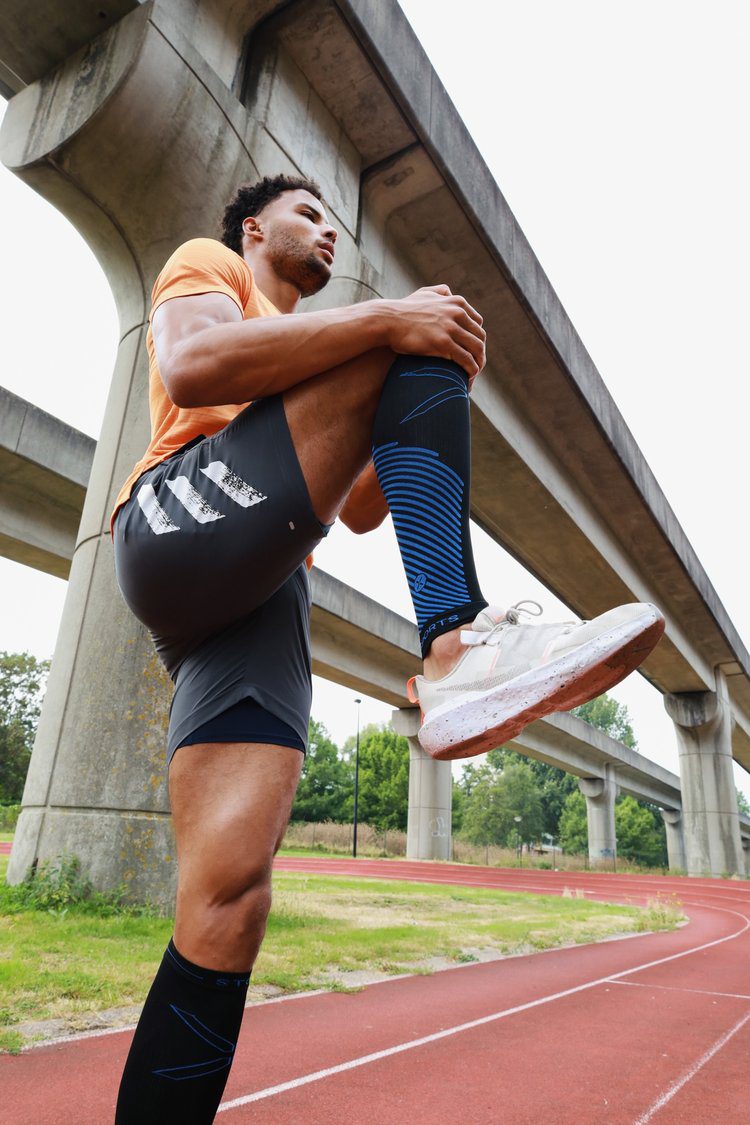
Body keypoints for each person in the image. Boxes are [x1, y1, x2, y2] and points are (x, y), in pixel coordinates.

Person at [111, 174, 663, 1122]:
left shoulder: (321, 354)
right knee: (409, 328)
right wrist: (395, 330)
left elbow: (364, 507)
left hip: (264, 592)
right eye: (307, 214)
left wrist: (425, 390)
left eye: (332, 221)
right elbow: (193, 366)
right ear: (254, 229)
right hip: (181, 520)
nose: (327, 231)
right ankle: (453, 648)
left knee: (229, 902)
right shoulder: (212, 267)